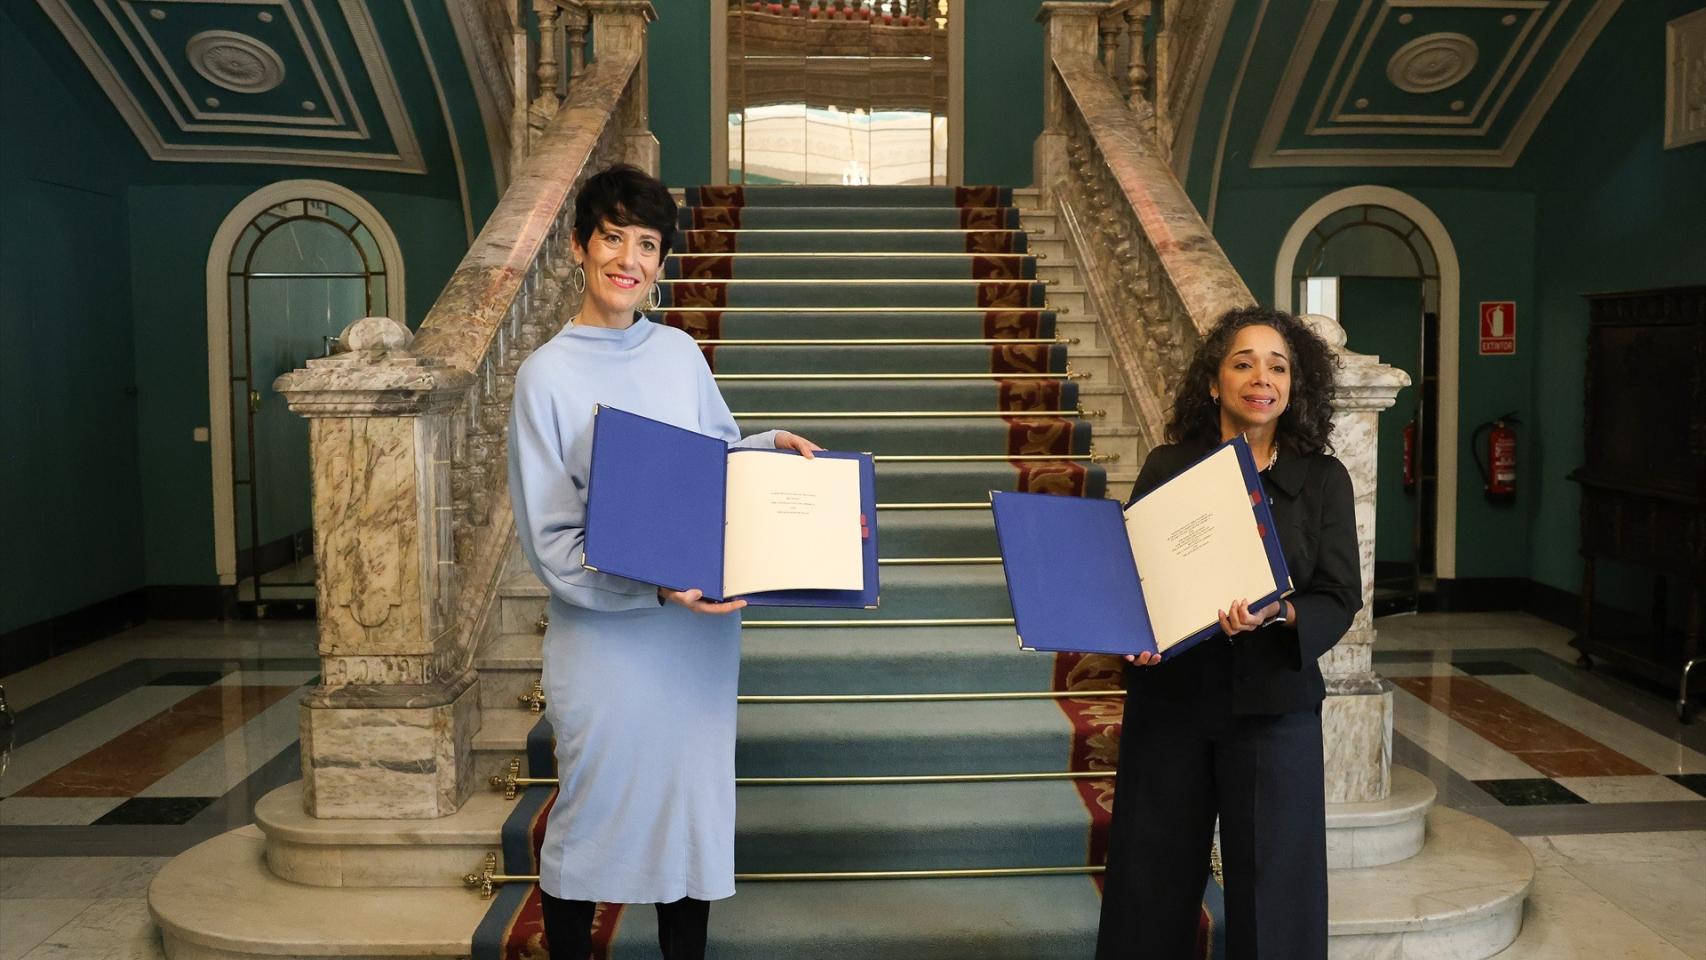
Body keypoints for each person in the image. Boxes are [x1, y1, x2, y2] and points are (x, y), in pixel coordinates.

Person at [507, 164, 822, 960]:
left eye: (647, 244)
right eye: (613, 237)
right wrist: (656, 590)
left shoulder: (680, 352)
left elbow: (711, 471)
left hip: (697, 642)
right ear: (580, 246)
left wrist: (765, 449)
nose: (630, 259)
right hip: (610, 643)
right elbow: (552, 548)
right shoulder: (543, 376)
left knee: (691, 826)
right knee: (593, 822)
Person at [1095, 306, 1361, 960]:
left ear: (1295, 385)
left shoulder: (1324, 479)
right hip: (1172, 704)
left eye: (1278, 365)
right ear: (1214, 382)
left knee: (1278, 896)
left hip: (1275, 709)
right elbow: (1141, 575)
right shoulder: (1168, 466)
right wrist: (1137, 631)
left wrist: (1281, 613)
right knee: (1149, 885)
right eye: (1242, 362)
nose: (1260, 377)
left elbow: (1338, 594)